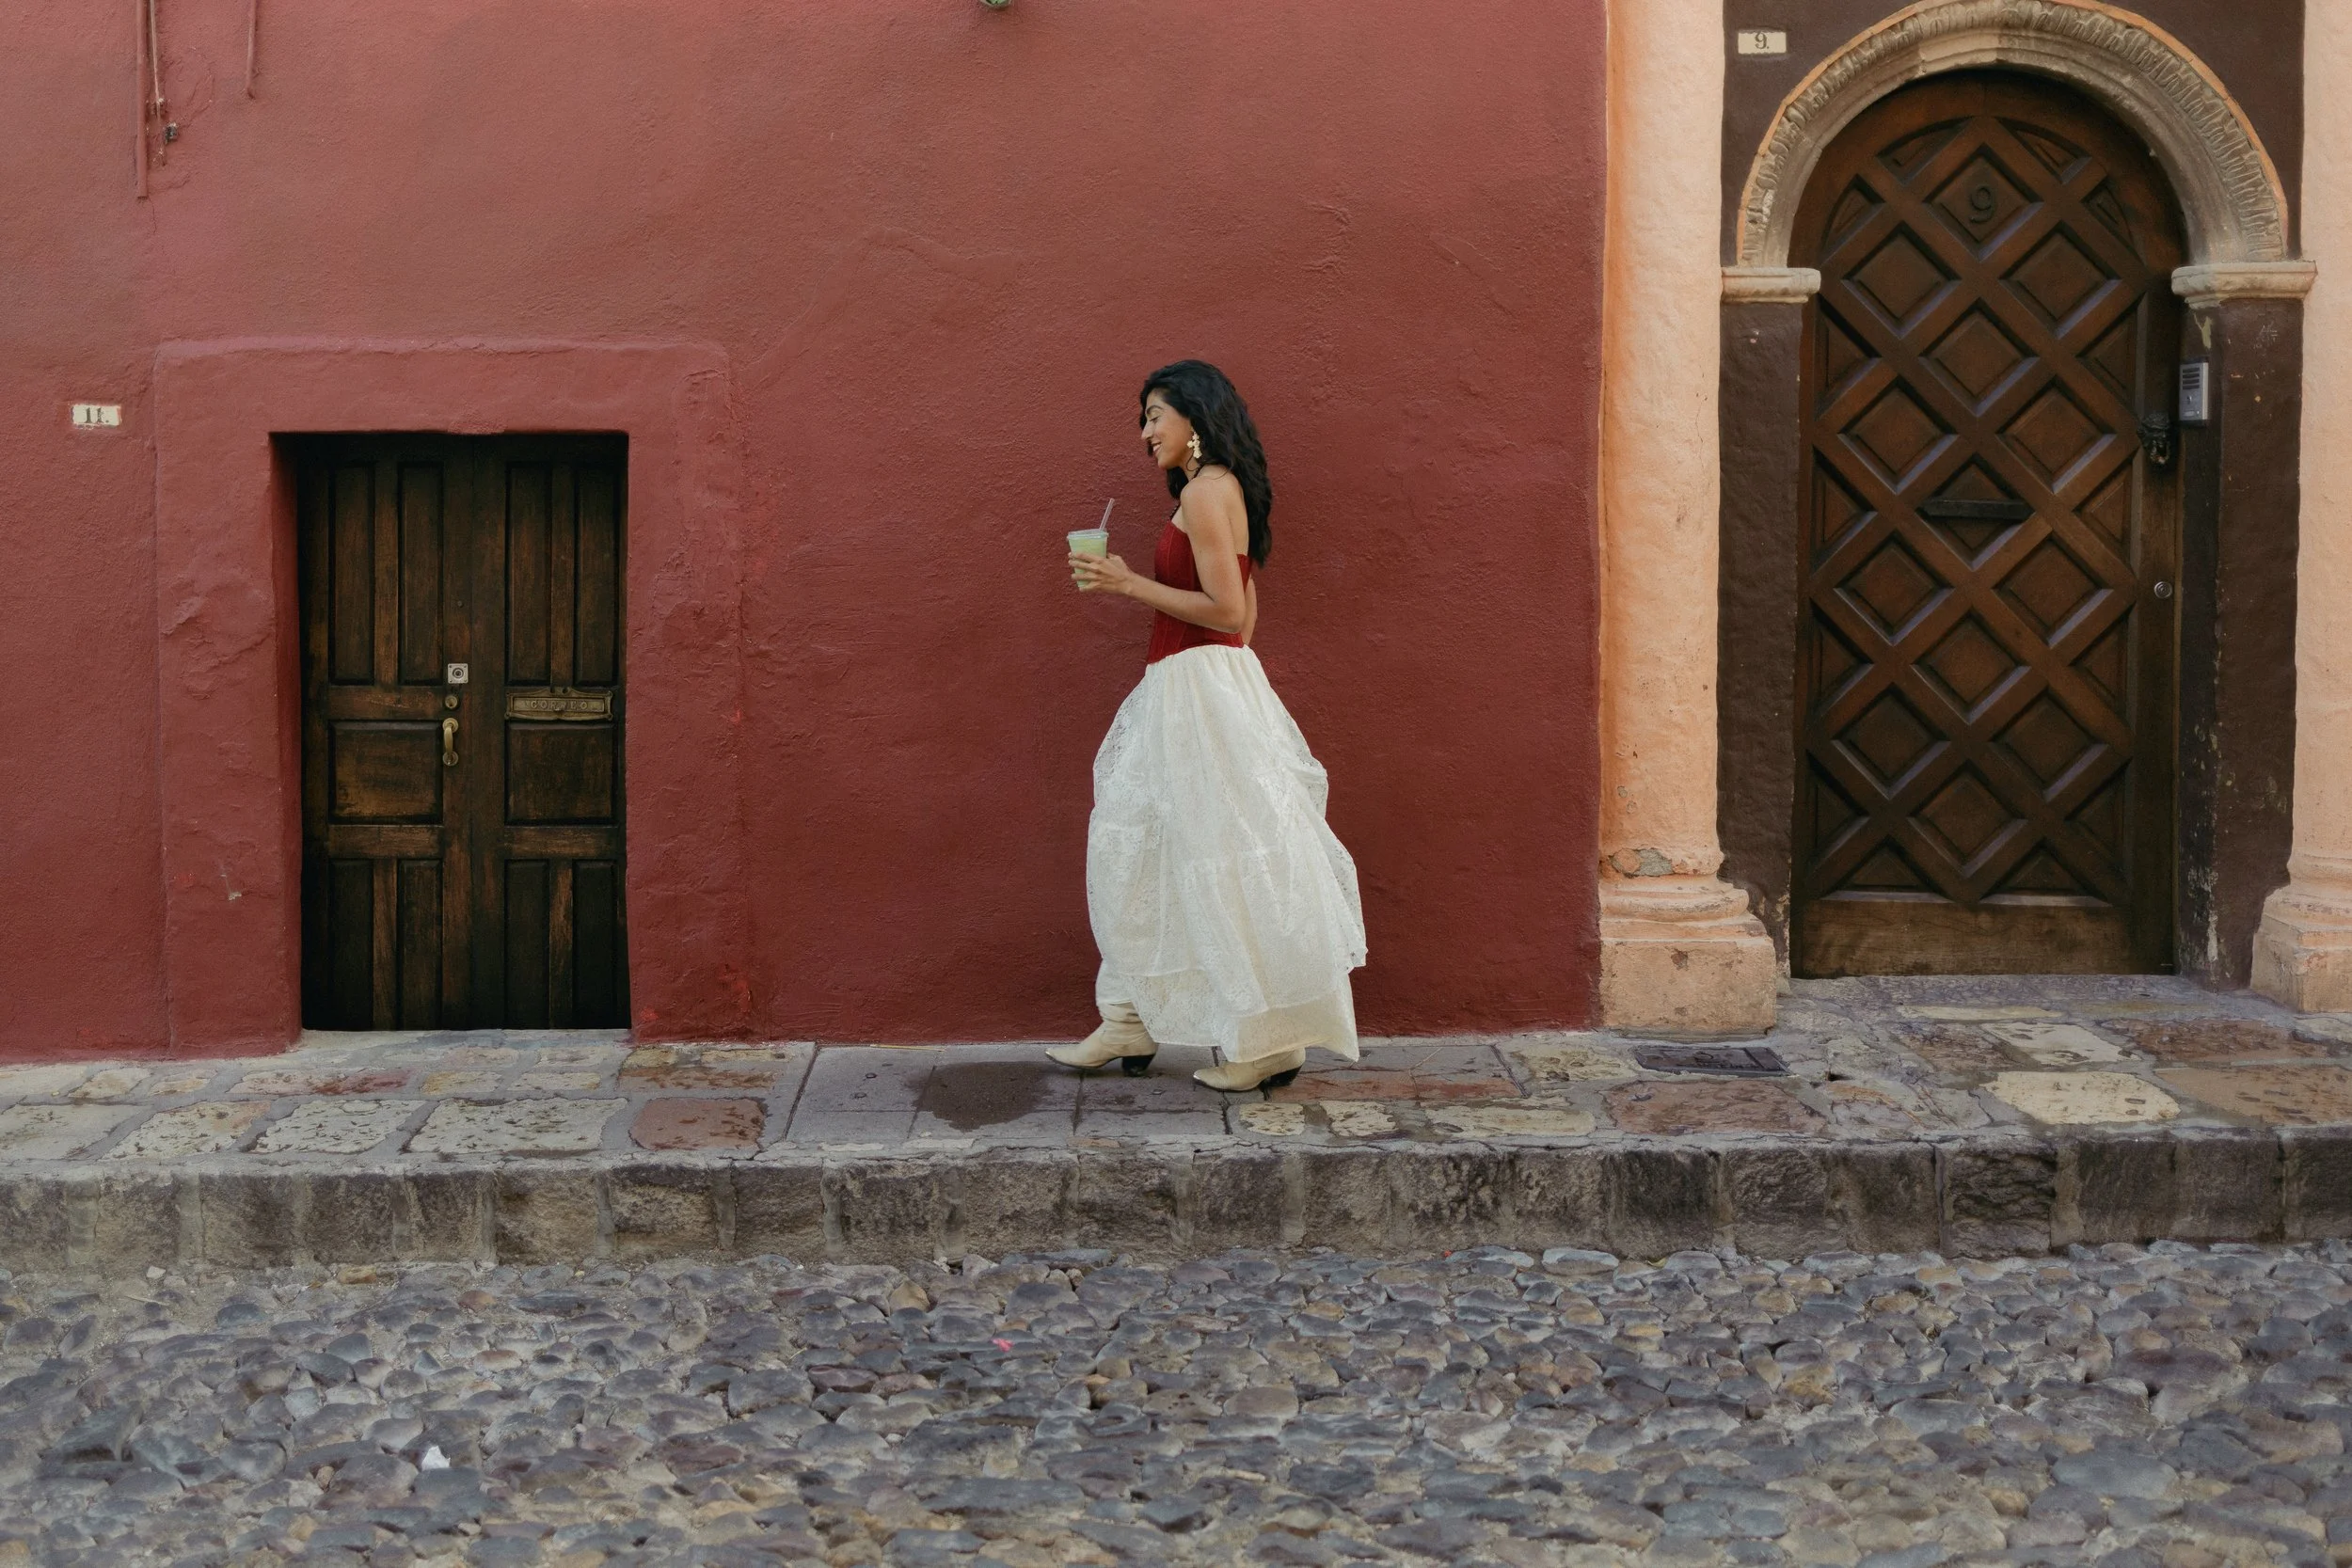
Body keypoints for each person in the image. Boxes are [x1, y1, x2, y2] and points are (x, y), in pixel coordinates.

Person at [1047, 360, 1367, 1092]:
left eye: (1156, 414)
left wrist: (1128, 582)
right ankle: (1127, 1015)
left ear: (1196, 416)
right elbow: (1245, 617)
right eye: (1143, 418)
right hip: (1193, 690)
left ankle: (1266, 1041)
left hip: (1199, 692)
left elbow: (1229, 616)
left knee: (1213, 851)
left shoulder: (1205, 491)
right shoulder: (1221, 492)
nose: (1146, 431)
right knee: (1142, 844)